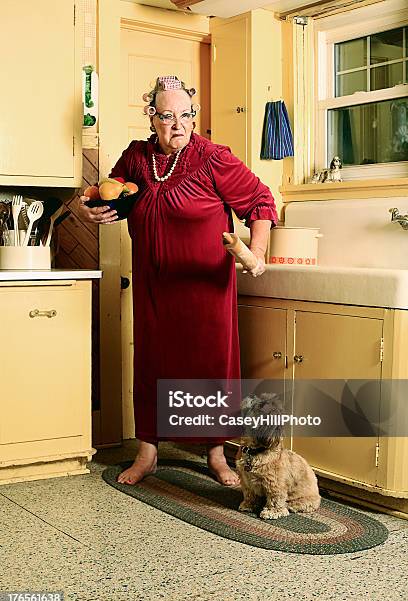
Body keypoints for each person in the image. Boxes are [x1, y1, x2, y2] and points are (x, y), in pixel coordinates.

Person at [79, 76, 278, 486]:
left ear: (194, 116)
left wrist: (256, 253)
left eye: (186, 115)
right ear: (151, 117)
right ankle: (148, 452)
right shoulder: (137, 158)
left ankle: (216, 454)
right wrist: (93, 208)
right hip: (154, 286)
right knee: (153, 364)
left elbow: (260, 200)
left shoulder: (212, 158)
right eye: (167, 116)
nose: (179, 126)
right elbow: (111, 198)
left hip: (205, 288)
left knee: (207, 367)